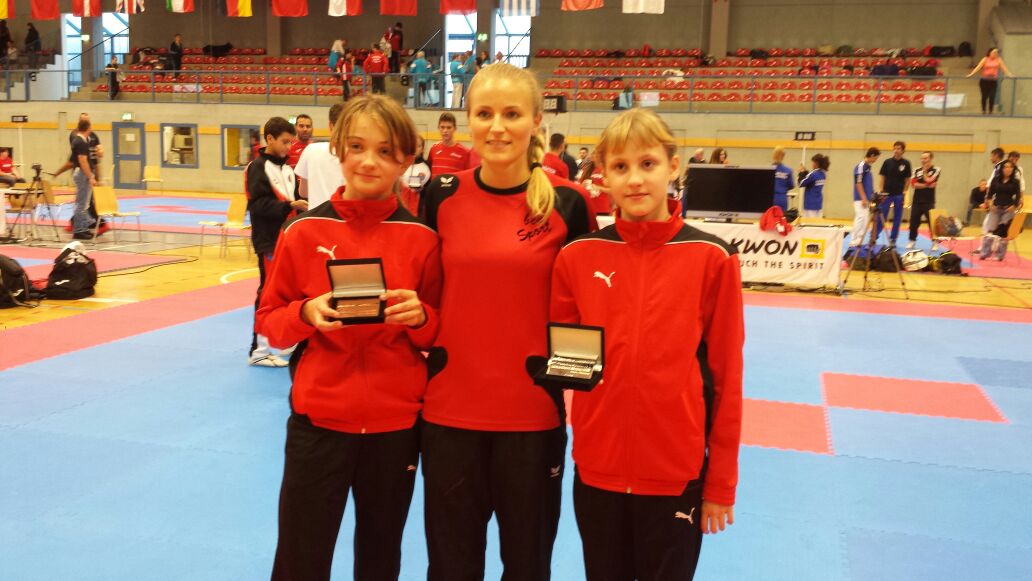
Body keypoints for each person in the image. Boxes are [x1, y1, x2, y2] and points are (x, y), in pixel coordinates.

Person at [419, 62, 594, 581]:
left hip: (531, 421)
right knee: (451, 567)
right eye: (485, 113)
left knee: (527, 567)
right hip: (450, 416)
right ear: (469, 119)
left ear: (537, 121)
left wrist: (569, 386)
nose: (498, 126)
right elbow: (425, 297)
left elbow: (584, 314)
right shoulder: (441, 194)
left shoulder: (568, 203)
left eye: (512, 114)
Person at [551, 107, 743, 581]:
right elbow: (568, 361)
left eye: (648, 164)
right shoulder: (578, 258)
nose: (635, 180)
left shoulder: (711, 259)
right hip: (598, 470)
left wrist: (720, 482)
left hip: (675, 473)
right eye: (620, 167)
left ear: (673, 166)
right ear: (602, 178)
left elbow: (726, 381)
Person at [257, 95, 440, 581]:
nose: (368, 161)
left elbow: (440, 331)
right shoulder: (303, 230)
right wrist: (306, 312)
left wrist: (419, 317)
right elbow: (269, 321)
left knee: (381, 558)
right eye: (356, 146)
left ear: (406, 158)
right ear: (337, 148)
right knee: (300, 556)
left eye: (385, 151)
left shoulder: (422, 239)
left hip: (395, 427)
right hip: (320, 423)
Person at [246, 117, 309, 368]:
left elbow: (293, 202)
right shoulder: (257, 167)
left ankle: (282, 340)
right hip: (268, 240)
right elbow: (257, 205)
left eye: (291, 142)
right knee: (268, 293)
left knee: (289, 292)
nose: (289, 147)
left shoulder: (287, 170)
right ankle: (259, 349)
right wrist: (288, 206)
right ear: (269, 139)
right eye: (285, 141)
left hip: (287, 239)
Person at [295, 103, 346, 209]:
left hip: (317, 218)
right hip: (346, 218)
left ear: (330, 125)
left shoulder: (311, 149)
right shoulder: (359, 155)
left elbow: (303, 192)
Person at [975, 159, 1022, 260]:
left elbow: (1018, 196)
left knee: (1003, 233)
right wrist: (990, 203)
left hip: (1008, 209)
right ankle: (985, 252)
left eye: (1010, 167)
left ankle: (1000, 255)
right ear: (1002, 169)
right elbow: (990, 194)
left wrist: (1014, 205)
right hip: (996, 208)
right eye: (1006, 167)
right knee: (990, 231)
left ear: (1013, 169)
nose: (1008, 169)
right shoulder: (995, 179)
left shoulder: (1015, 182)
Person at [874, 141, 912, 245]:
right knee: (882, 215)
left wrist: (904, 192)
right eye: (895, 148)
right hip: (886, 194)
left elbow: (908, 179)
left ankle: (893, 239)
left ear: (903, 150)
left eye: (899, 148)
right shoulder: (887, 162)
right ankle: (874, 236)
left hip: (899, 194)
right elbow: (882, 176)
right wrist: (881, 190)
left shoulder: (906, 163)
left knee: (897, 218)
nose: (896, 150)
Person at [69, 118, 99, 240]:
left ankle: (83, 227)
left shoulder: (80, 140)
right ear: (88, 128)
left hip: (81, 173)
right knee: (82, 203)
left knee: (83, 203)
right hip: (82, 173)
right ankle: (79, 230)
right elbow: (83, 161)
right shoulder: (81, 142)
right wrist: (90, 176)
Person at [907, 151, 941, 250]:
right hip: (917, 201)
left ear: (931, 159)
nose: (923, 160)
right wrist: (928, 186)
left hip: (929, 201)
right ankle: (912, 240)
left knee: (932, 222)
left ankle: (934, 242)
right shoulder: (916, 170)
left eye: (925, 158)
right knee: (913, 222)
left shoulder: (936, 169)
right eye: (922, 158)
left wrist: (925, 173)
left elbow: (930, 180)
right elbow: (913, 184)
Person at [850, 147, 880, 248]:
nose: (876, 160)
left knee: (865, 219)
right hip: (860, 199)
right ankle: (854, 241)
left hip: (866, 199)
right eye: (876, 158)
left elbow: (867, 184)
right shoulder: (861, 166)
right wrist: (863, 197)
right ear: (871, 156)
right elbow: (858, 183)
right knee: (860, 218)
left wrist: (872, 194)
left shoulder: (868, 168)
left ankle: (860, 240)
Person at [967, 48, 1012, 114]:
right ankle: (984, 110)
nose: (995, 54)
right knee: (984, 96)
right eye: (994, 52)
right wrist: (971, 74)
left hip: (993, 81)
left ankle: (990, 111)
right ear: (990, 53)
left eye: (996, 52)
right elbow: (978, 67)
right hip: (984, 81)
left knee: (992, 96)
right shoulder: (985, 59)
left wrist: (1010, 75)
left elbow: (1004, 69)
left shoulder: (998, 60)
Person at [426, 112, 471, 178]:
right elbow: (428, 172)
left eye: (449, 127)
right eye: (442, 127)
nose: (445, 130)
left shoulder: (465, 152)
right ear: (438, 128)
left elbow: (468, 177)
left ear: (455, 129)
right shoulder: (433, 149)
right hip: (435, 188)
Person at [399, 134, 431, 215]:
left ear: (422, 149)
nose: (414, 148)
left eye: (418, 146)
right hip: (399, 206)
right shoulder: (402, 164)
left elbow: (414, 187)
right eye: (413, 145)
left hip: (414, 210)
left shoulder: (424, 168)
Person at [797, 153, 829, 218]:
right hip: (818, 204)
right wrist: (805, 172)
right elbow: (811, 180)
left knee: (809, 225)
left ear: (816, 163)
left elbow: (801, 183)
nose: (812, 164)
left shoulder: (813, 174)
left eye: (812, 162)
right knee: (817, 224)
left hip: (810, 205)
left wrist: (801, 172)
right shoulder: (823, 174)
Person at [771, 146, 795, 211]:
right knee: (781, 218)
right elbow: (791, 185)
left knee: (769, 218)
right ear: (783, 156)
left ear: (773, 155)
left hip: (770, 198)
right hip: (782, 198)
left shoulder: (768, 170)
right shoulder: (788, 170)